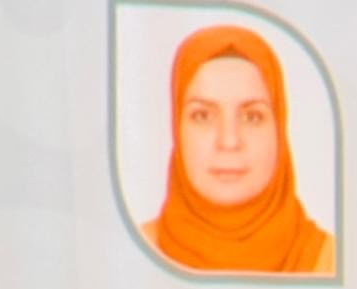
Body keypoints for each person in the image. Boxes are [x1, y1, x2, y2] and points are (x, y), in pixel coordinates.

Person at [141, 26, 334, 275]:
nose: (229, 141)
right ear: (177, 128)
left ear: (279, 128)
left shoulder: (337, 263)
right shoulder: (133, 254)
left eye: (252, 117)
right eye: (202, 115)